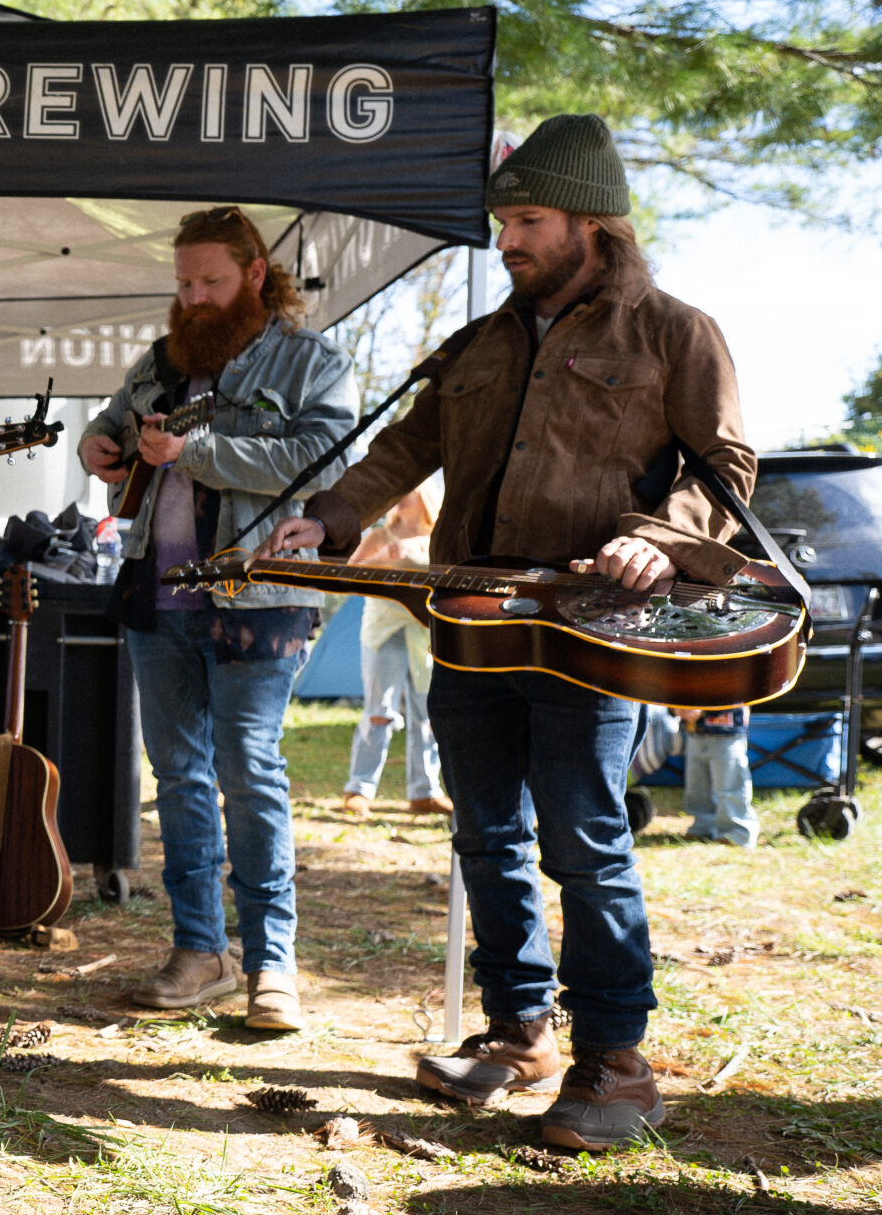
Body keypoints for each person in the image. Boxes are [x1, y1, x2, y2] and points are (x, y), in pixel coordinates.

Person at [264, 112, 755, 1150]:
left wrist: (660, 540)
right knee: (483, 834)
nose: (507, 242)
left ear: (592, 224)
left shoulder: (674, 332)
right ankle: (515, 1032)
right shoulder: (479, 342)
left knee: (584, 840)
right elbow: (404, 447)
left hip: (592, 637)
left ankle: (614, 1062)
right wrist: (334, 517)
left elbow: (727, 478)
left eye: (526, 220)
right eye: (502, 223)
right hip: (471, 628)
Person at [78, 206, 353, 1031]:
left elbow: (323, 462)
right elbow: (111, 427)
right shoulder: (161, 360)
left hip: (259, 596)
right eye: (184, 282)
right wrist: (102, 446)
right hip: (155, 593)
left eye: (212, 280)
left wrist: (194, 453)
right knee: (181, 779)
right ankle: (200, 951)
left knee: (248, 771)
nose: (194, 296)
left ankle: (273, 963)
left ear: (256, 277)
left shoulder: (312, 360)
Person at [341, 485, 451, 820]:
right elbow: (346, 578)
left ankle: (424, 792)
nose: (401, 494)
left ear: (425, 496)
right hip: (383, 631)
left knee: (428, 715)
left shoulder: (441, 537)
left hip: (425, 634)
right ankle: (359, 789)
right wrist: (384, 556)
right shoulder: (378, 535)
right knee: (379, 712)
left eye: (410, 489)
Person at [679, 705, 758, 846]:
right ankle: (703, 826)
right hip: (695, 731)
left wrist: (704, 710)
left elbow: (737, 695)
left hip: (727, 732)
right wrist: (676, 709)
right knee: (697, 787)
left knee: (729, 786)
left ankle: (737, 832)